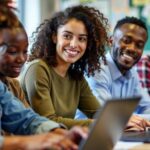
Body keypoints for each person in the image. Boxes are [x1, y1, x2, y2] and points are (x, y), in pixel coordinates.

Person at [0, 1, 88, 149]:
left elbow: (24, 119)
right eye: (12, 51)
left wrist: (59, 133)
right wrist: (31, 142)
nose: (21, 59)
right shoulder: (38, 68)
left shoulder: (2, 88)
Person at [19, 5, 109, 129]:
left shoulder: (76, 77)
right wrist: (97, 123)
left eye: (82, 39)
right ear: (55, 37)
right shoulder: (38, 69)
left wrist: (120, 120)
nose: (74, 44)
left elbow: (98, 113)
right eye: (67, 36)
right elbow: (48, 121)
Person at [76, 16, 150, 120]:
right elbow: (107, 116)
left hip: (116, 134)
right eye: (126, 40)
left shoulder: (132, 73)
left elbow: (147, 108)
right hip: (85, 134)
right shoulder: (96, 69)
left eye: (139, 45)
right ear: (111, 41)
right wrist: (134, 119)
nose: (132, 49)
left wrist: (134, 119)